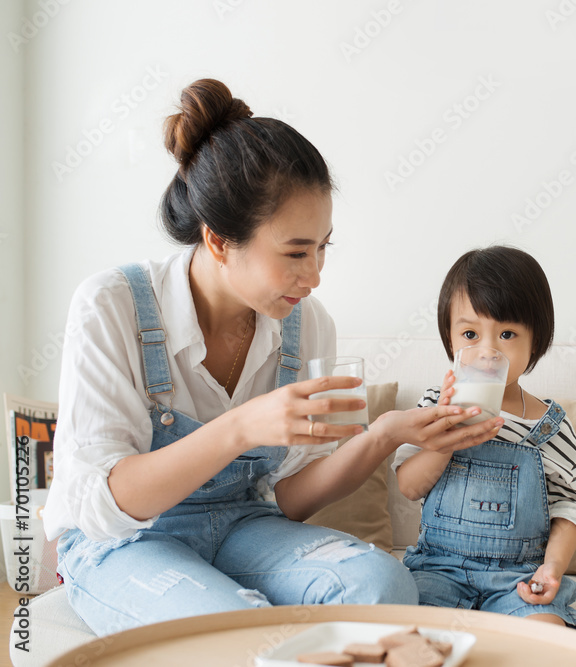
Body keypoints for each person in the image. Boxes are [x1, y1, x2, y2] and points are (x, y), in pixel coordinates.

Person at [42, 79, 503, 636]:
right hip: (124, 542)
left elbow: (289, 499)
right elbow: (101, 507)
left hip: (243, 525)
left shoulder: (307, 324)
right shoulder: (112, 306)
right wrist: (241, 427)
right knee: (237, 629)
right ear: (218, 241)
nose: (315, 276)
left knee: (382, 585)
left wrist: (382, 435)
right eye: (295, 252)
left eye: (323, 247)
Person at [392, 246, 576, 630]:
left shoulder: (550, 426)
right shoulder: (435, 405)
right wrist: (447, 439)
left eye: (507, 334)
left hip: (517, 578)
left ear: (536, 342)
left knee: (547, 636)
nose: (487, 351)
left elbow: (572, 508)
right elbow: (408, 486)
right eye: (470, 333)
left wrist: (551, 568)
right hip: (439, 570)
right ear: (450, 341)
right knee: (411, 634)